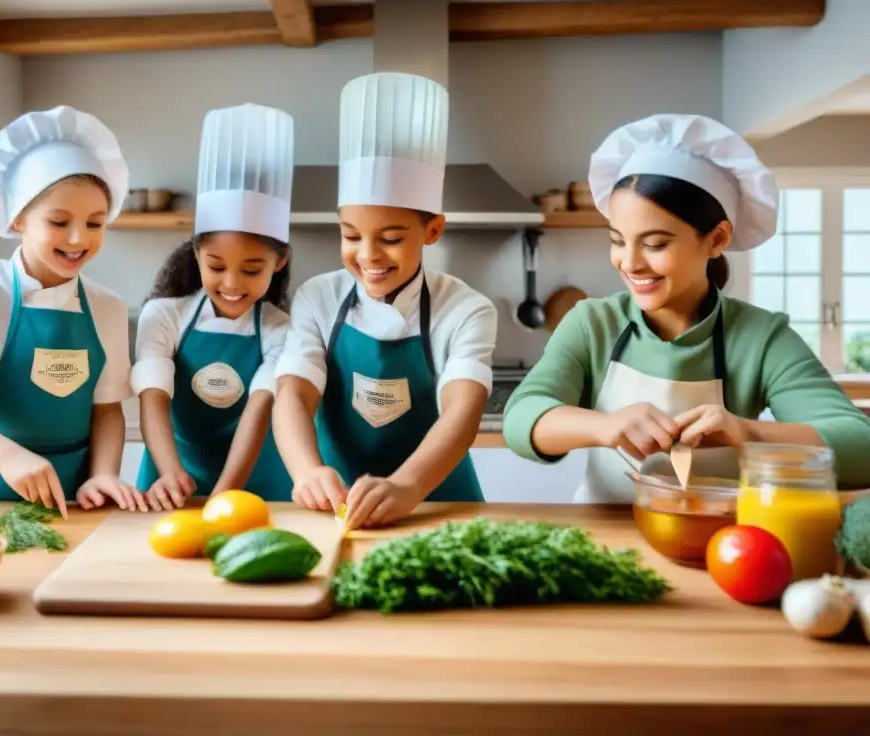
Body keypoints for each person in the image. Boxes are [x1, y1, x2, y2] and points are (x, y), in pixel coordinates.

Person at [503, 113, 870, 501]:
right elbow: (521, 418)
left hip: (714, 541)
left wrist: (748, 432)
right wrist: (605, 426)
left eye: (656, 244)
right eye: (617, 240)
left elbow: (861, 447)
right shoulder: (593, 323)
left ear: (716, 239)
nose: (629, 263)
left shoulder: (760, 338)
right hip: (603, 534)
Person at [273, 72, 498, 530]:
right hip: (333, 501)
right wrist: (305, 471)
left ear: (433, 231)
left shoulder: (466, 309)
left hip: (437, 502)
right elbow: (294, 392)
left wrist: (409, 484)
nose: (368, 255)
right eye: (351, 235)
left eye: (391, 238)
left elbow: (464, 409)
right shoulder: (318, 297)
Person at [0, 105, 147, 517]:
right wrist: (8, 456)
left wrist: (105, 474)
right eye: (59, 221)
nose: (79, 239)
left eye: (95, 223)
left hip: (77, 496)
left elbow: (107, 410)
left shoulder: (107, 306)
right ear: (19, 218)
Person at [132, 103, 294, 509]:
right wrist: (169, 473)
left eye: (253, 269)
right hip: (169, 475)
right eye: (217, 266)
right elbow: (152, 397)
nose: (232, 284)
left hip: (254, 479)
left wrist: (225, 494)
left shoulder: (281, 328)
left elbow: (260, 409)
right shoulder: (164, 315)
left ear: (280, 262)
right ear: (197, 253)